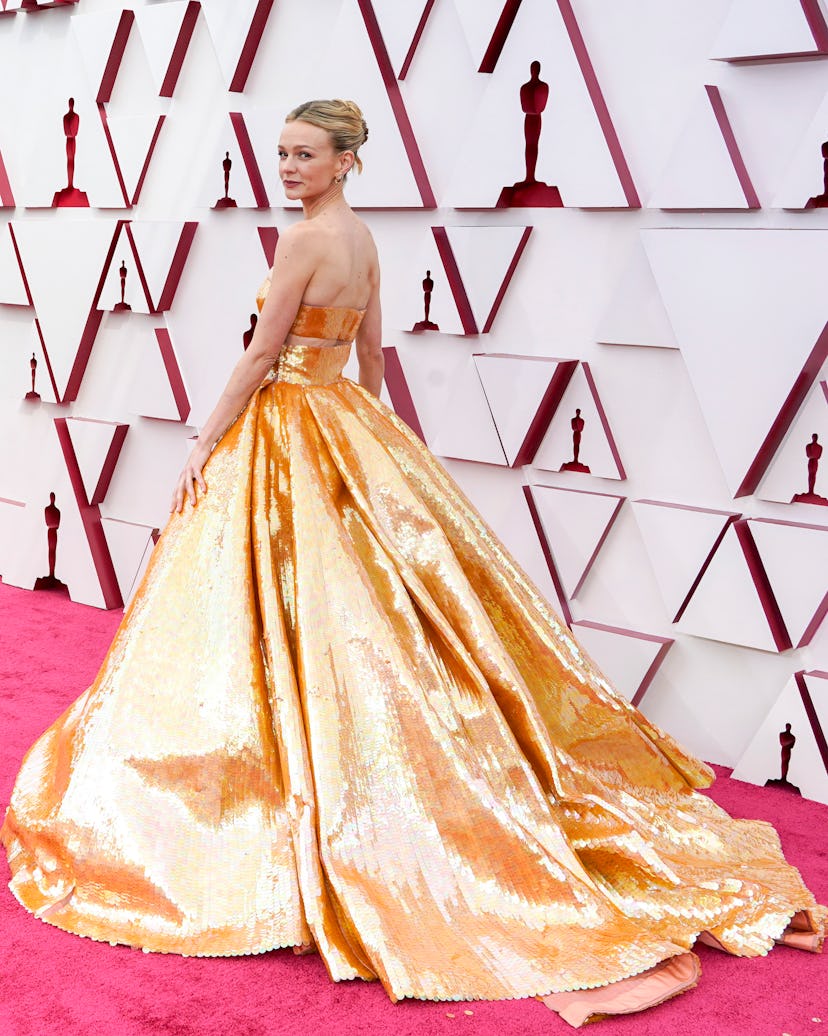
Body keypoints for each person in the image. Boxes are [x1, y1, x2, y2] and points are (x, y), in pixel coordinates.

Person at [2, 99, 824, 1029]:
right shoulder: (364, 240)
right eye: (281, 153)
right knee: (353, 612)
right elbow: (369, 357)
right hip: (342, 426)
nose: (289, 167)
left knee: (268, 615)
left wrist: (203, 443)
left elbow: (262, 354)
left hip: (284, 428)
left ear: (348, 160)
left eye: (306, 155)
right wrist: (379, 447)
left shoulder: (304, 243)